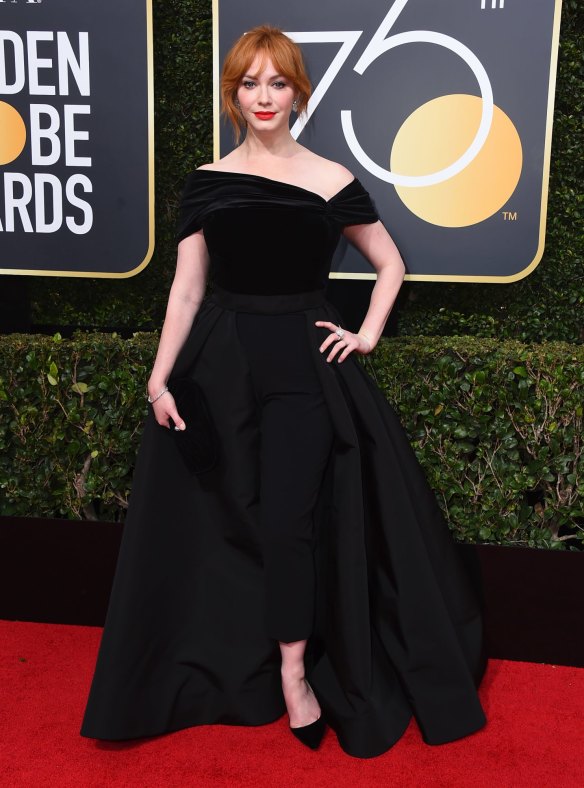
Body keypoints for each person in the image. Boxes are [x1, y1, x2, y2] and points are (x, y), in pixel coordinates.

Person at [80, 25, 487, 758]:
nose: (263, 97)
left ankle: (295, 673)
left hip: (303, 366)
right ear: (233, 94)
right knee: (223, 517)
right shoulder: (207, 181)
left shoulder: (331, 179)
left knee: (291, 521)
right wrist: (158, 374)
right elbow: (187, 289)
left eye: (277, 83)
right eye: (248, 83)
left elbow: (389, 264)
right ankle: (232, 663)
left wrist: (364, 334)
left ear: (298, 92)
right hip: (219, 368)